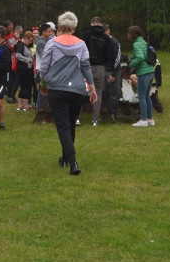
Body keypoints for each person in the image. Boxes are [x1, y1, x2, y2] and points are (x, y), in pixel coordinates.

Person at [38, 11, 96, 175]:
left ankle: (73, 162)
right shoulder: (81, 44)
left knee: (63, 126)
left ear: (60, 26)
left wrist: (43, 83)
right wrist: (92, 88)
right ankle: (65, 158)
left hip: (57, 88)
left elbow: (44, 67)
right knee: (70, 124)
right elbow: (86, 67)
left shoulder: (52, 43)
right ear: (74, 27)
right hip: (76, 90)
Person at [81, 16, 117, 126]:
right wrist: (109, 68)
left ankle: (77, 118)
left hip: (85, 65)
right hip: (100, 67)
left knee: (81, 91)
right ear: (101, 24)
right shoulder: (106, 38)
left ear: (91, 23)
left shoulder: (85, 35)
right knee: (98, 92)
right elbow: (110, 55)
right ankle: (95, 119)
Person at [128, 25, 156, 127]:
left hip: (144, 73)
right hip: (150, 71)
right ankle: (150, 119)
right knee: (147, 96)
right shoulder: (144, 42)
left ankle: (143, 120)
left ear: (133, 34)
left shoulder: (136, 44)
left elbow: (140, 57)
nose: (128, 35)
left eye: (129, 32)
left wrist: (131, 64)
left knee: (141, 96)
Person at [34, 22, 55, 110]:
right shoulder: (41, 43)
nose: (51, 33)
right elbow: (44, 57)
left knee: (45, 90)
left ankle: (43, 108)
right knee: (42, 90)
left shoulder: (46, 41)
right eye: (49, 32)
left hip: (47, 68)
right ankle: (39, 108)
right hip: (42, 69)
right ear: (43, 32)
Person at [14, 29, 36, 111]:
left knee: (23, 86)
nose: (30, 42)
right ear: (26, 38)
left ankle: (20, 105)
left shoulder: (23, 45)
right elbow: (18, 55)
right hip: (24, 68)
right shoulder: (21, 45)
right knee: (26, 86)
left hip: (24, 67)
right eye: (30, 40)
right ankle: (26, 105)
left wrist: (32, 57)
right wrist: (28, 60)